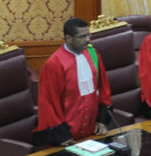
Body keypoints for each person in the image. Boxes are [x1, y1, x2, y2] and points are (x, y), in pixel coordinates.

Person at [35, 18, 112, 146]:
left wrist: (102, 121)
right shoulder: (54, 64)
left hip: (92, 133)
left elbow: (104, 88)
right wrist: (63, 136)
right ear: (69, 38)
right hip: (67, 137)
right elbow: (48, 103)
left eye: (88, 35)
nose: (87, 40)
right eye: (82, 36)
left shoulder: (93, 54)